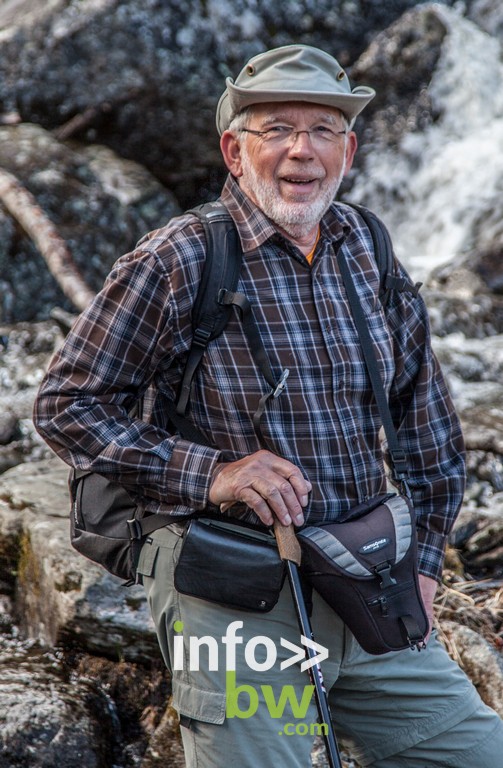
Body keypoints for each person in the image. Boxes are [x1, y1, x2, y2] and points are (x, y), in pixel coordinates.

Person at [33, 44, 503, 767]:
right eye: (276, 128)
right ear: (233, 149)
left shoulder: (365, 245)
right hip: (237, 602)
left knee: (476, 753)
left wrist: (428, 558)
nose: (300, 151)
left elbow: (424, 413)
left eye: (321, 130)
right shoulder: (179, 258)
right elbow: (67, 403)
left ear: (347, 148)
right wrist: (212, 474)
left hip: (365, 584)